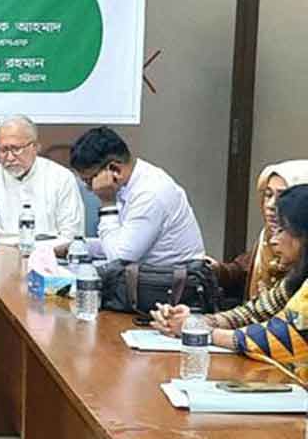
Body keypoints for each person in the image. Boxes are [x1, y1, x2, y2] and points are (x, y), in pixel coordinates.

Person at [153, 185, 308, 364]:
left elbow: (276, 339)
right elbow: (252, 313)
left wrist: (198, 331)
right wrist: (192, 321)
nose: (274, 239)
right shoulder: (295, 278)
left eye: (282, 229)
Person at [68, 126, 205, 265]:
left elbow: (118, 260)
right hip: (153, 273)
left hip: (172, 277)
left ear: (115, 169)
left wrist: (107, 203)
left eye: (89, 181)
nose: (89, 189)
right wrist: (80, 247)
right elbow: (118, 241)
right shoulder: (130, 183)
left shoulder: (149, 193)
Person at [211, 160, 308, 301]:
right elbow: (243, 271)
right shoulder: (266, 239)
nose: (271, 205)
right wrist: (217, 269)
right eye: (268, 195)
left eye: (281, 196)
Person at [0, 115, 84, 239]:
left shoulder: (61, 178)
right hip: (3, 249)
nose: (10, 157)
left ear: (35, 147)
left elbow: (72, 233)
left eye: (16, 149)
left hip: (52, 250)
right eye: (3, 150)